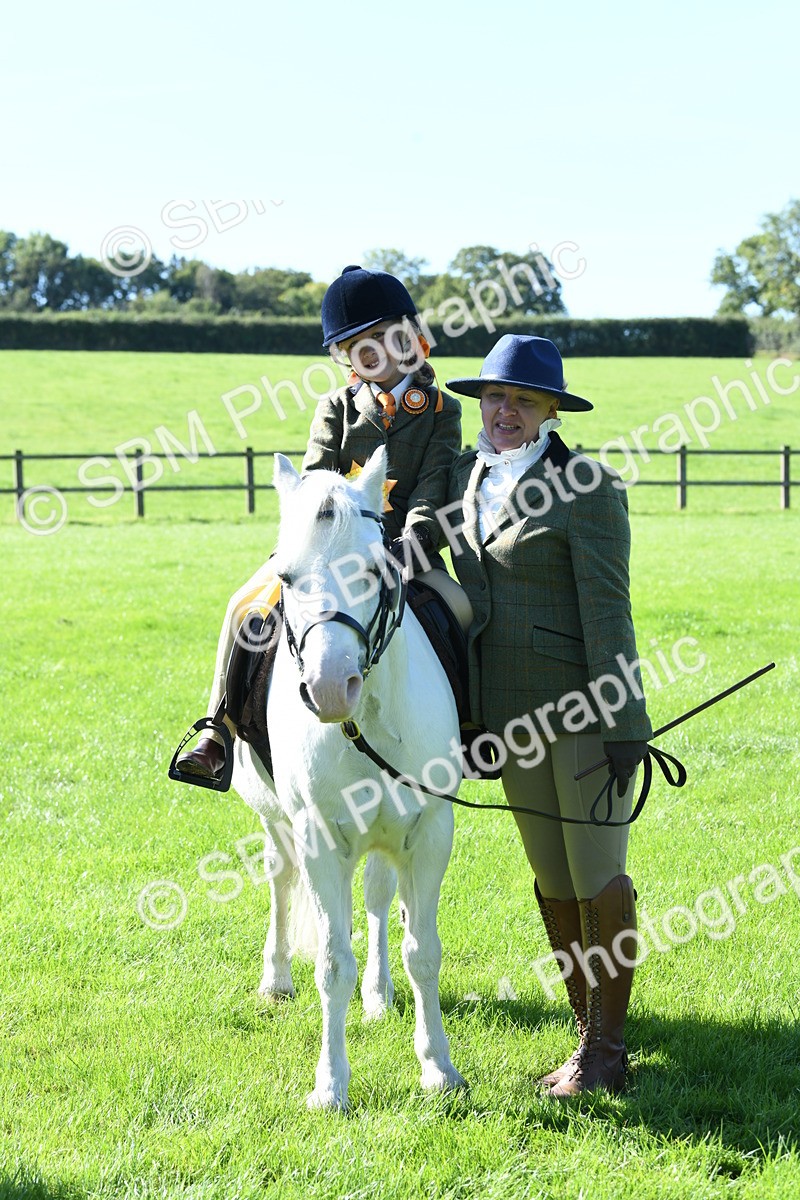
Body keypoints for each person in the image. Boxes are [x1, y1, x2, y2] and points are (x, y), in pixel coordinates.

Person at [444, 334, 652, 1098]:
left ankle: (607, 1056)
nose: (505, 411)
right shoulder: (464, 478)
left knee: (597, 879)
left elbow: (609, 611)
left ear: (552, 411)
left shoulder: (587, 487)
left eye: (524, 401)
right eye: (495, 397)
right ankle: (586, 1037)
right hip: (508, 720)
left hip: (583, 714)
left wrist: (624, 722)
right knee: (553, 880)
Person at [175, 264, 468, 782]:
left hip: (408, 550)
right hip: (327, 549)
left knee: (463, 611)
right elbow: (312, 480)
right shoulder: (336, 406)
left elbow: (435, 482)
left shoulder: (443, 411)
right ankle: (217, 728)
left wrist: (415, 540)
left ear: (409, 334)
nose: (371, 352)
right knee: (242, 605)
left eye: (382, 336)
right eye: (356, 345)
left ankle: (466, 728)